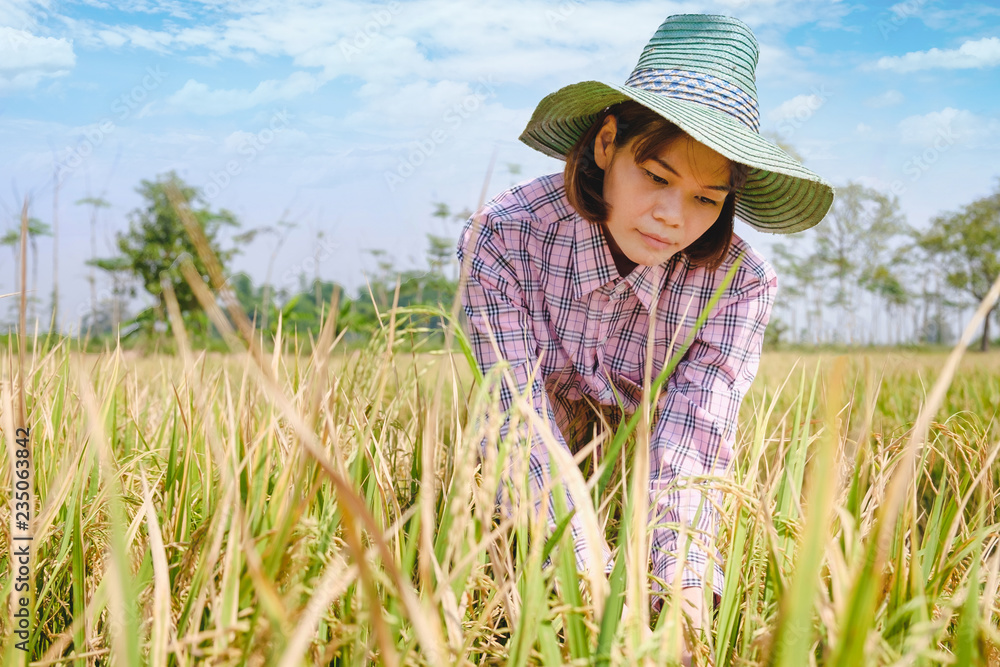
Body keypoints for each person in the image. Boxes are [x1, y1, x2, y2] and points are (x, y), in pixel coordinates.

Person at [456, 12, 834, 643]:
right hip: (532, 473)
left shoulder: (737, 286)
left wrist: (684, 602)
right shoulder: (503, 236)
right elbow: (517, 417)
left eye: (705, 198)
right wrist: (591, 592)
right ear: (607, 144)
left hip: (646, 463)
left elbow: (693, 437)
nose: (670, 217)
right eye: (657, 178)